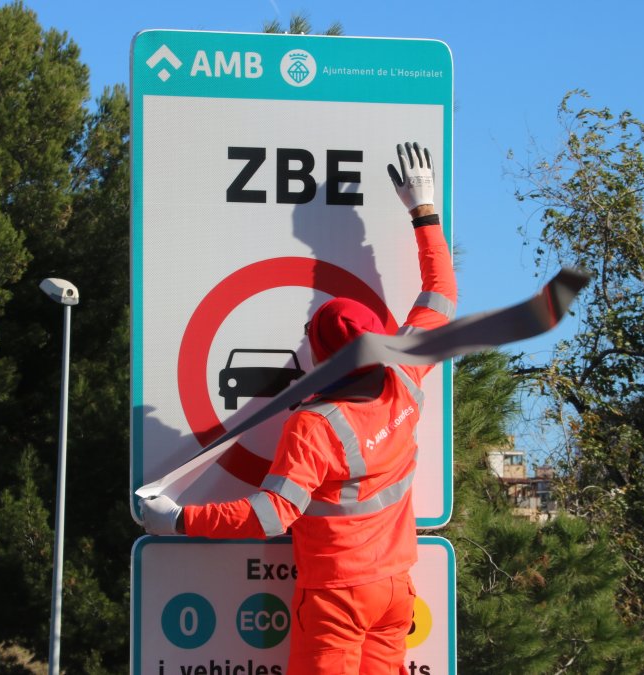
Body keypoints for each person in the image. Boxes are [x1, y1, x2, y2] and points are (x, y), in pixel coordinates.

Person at [141, 141, 456, 675]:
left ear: (320, 357)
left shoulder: (316, 427)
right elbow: (440, 296)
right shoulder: (405, 371)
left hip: (338, 598)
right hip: (396, 589)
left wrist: (178, 520)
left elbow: (270, 514)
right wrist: (423, 210)